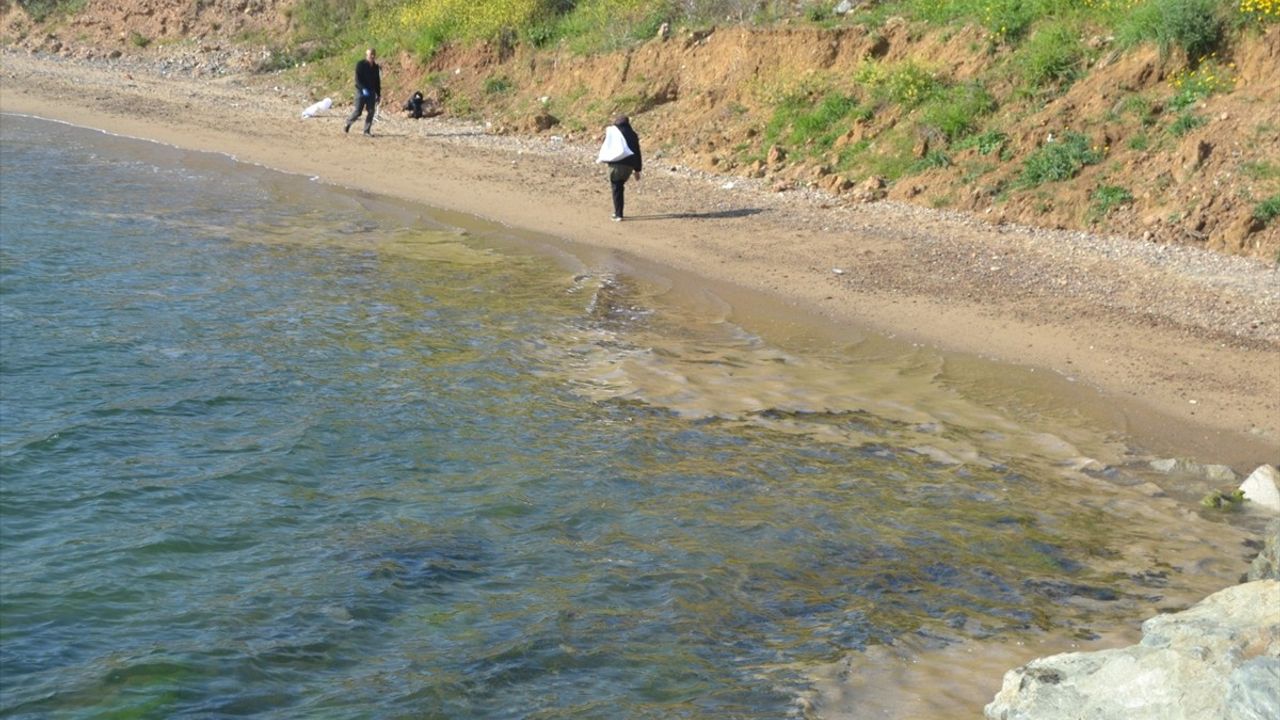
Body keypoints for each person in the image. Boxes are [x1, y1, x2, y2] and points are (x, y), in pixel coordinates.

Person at [601, 115, 642, 221]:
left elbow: (607, 145)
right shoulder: (633, 134)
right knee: (620, 186)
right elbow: (637, 152)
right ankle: (618, 213)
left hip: (616, 165)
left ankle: (618, 214)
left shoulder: (613, 131)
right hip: (629, 166)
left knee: (616, 188)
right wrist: (637, 170)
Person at [344, 47, 381, 136]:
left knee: (371, 111)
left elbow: (377, 81)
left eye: (373, 54)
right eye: (370, 54)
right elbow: (358, 79)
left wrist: (378, 94)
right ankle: (348, 123)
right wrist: (363, 88)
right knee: (358, 112)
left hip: (371, 92)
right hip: (361, 91)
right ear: (366, 55)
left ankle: (366, 131)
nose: (372, 56)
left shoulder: (376, 67)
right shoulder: (360, 65)